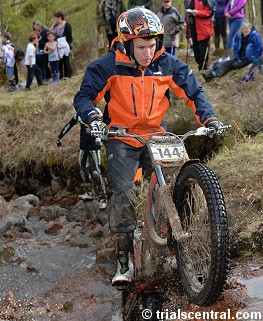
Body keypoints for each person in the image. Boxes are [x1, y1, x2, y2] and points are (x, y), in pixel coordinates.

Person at [73, 8, 225, 286]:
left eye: (152, 45)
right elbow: (84, 97)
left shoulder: (167, 63)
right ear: (126, 43)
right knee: (123, 193)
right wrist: (94, 119)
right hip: (121, 135)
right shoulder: (106, 67)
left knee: (181, 185)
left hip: (157, 134)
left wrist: (210, 118)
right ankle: (123, 259)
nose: (148, 52)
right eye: (142, 47)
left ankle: (184, 246)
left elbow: (194, 91)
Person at [56, 109, 108, 210]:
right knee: (83, 170)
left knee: (96, 172)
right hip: (83, 148)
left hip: (94, 148)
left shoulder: (98, 113)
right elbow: (69, 125)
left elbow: (104, 127)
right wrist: (59, 137)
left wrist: (101, 140)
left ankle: (103, 198)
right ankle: (89, 193)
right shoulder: (79, 114)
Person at [185, 0, 215, 71]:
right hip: (193, 28)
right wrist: (187, 31)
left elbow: (210, 12)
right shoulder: (189, 1)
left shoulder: (205, 1)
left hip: (203, 28)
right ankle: (200, 66)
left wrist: (198, 13)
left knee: (203, 50)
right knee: (196, 50)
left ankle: (203, 68)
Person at [50, 11, 73, 79]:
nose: (55, 20)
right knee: (59, 61)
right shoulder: (56, 26)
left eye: (56, 18)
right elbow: (50, 32)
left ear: (60, 17)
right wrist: (53, 25)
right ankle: (60, 75)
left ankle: (68, 75)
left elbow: (69, 36)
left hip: (65, 45)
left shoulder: (67, 25)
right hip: (58, 45)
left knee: (66, 60)